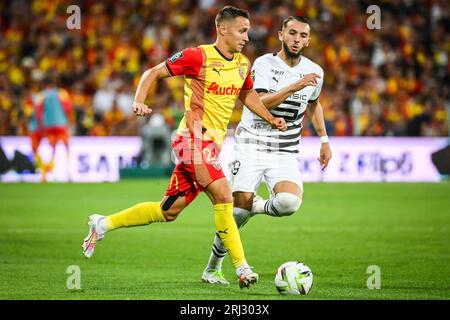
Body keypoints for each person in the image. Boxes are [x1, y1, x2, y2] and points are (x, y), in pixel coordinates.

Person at [81, 6, 287, 289]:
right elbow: (151, 73)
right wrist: (139, 100)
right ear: (222, 29)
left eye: (248, 31)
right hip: (191, 139)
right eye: (242, 30)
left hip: (211, 145)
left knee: (169, 210)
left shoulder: (242, 64)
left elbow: (247, 95)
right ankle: (242, 269)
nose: (247, 37)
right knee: (224, 196)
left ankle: (102, 224)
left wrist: (270, 117)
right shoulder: (197, 56)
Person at [201, 16, 332, 284]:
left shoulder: (314, 72)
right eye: (292, 33)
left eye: (303, 35)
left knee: (288, 204)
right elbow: (258, 102)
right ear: (281, 34)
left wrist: (324, 139)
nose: (297, 39)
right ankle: (212, 268)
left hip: (285, 150)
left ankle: (255, 205)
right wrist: (294, 85)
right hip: (252, 144)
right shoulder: (263, 64)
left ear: (308, 40)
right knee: (237, 213)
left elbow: (314, 104)